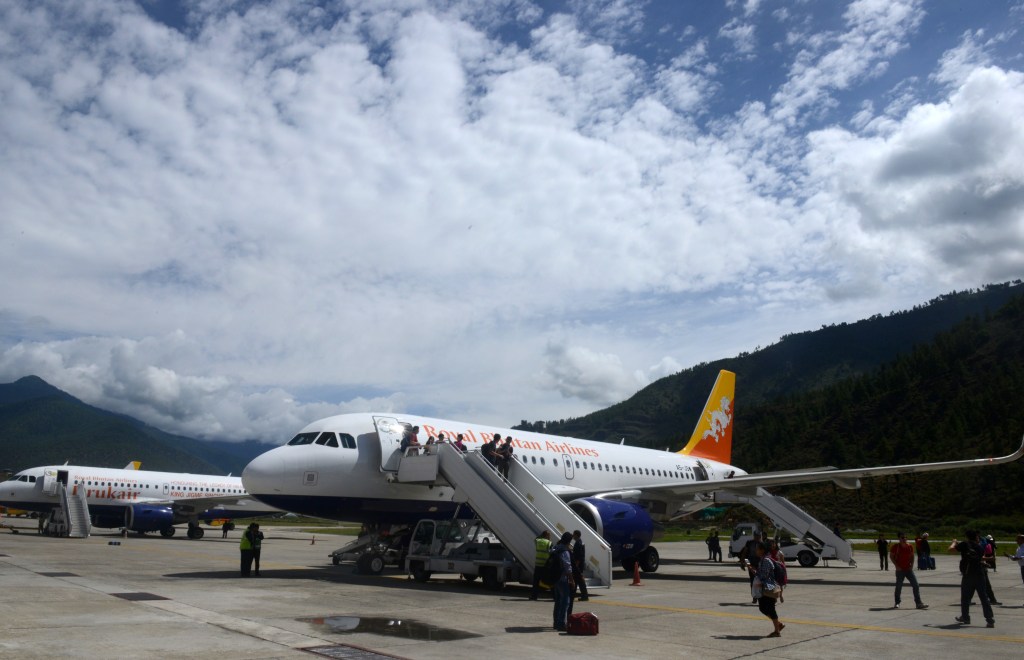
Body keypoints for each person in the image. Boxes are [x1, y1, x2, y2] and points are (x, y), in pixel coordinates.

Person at [951, 530, 994, 627]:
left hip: (968, 575)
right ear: (976, 537)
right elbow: (979, 559)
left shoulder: (964, 544)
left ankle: (965, 618)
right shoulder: (979, 547)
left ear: (967, 536)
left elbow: (951, 550)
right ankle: (990, 619)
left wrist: (954, 542)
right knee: (984, 598)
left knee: (965, 598)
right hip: (979, 574)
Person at [746, 541, 784, 638]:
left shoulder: (766, 560)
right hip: (765, 587)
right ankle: (778, 624)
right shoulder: (763, 559)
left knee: (770, 609)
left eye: (758, 549)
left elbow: (764, 576)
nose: (756, 550)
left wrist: (753, 570)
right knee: (762, 608)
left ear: (762, 550)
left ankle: (777, 631)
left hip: (769, 588)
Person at [889, 532, 928, 610]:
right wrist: (897, 566)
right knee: (898, 587)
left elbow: (912, 556)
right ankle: (897, 602)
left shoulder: (910, 546)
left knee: (916, 585)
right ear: (899, 538)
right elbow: (891, 556)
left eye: (905, 537)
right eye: (902, 537)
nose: (904, 539)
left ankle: (918, 603)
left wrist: (912, 565)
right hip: (900, 570)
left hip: (908, 570)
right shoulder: (895, 547)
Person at [551, 532, 575, 631]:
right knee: (565, 601)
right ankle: (561, 623)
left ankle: (556, 622)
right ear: (569, 541)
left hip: (554, 578)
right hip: (562, 578)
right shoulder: (565, 551)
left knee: (558, 601)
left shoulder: (555, 548)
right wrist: (572, 580)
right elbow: (568, 567)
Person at [739, 531, 762, 603]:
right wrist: (743, 563)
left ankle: (760, 596)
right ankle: (754, 596)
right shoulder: (749, 543)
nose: (758, 537)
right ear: (754, 536)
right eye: (756, 536)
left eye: (759, 536)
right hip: (751, 564)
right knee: (752, 581)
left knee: (760, 581)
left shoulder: (762, 544)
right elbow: (745, 554)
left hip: (760, 565)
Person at [529, 530, 552, 600]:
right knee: (549, 580)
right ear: (547, 536)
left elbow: (536, 538)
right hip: (545, 565)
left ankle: (534, 596)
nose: (550, 537)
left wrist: (541, 535)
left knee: (536, 581)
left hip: (538, 564)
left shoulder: (538, 541)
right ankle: (554, 596)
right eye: (549, 535)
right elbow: (551, 553)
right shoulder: (549, 543)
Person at [1004, 534, 1024, 605]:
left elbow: (1020, 557)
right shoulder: (1019, 548)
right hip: (1022, 567)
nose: (1016, 541)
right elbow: (1015, 558)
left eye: (1017, 539)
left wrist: (1020, 558)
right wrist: (1009, 555)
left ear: (1022, 540)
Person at [767, 539, 788, 603]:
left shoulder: (780, 553)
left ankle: (781, 595)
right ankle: (775, 597)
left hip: (779, 570)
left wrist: (785, 571)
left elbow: (783, 563)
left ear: (776, 544)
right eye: (771, 544)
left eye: (773, 544)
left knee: (780, 584)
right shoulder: (768, 553)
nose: (772, 545)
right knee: (774, 585)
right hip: (771, 570)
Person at [571, 529, 589, 602]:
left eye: (573, 534)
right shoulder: (580, 542)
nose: (572, 536)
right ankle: (577, 595)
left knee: (579, 580)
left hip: (578, 565)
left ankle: (584, 596)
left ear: (576, 535)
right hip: (580, 565)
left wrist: (576, 565)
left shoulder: (578, 543)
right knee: (577, 580)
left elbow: (579, 556)